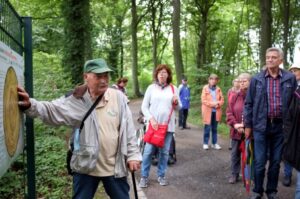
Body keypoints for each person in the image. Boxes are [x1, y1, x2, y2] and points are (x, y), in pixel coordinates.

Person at [17, 58, 142, 199]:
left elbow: (128, 130)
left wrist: (132, 155)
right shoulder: (75, 100)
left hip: (114, 168)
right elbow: (51, 110)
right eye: (98, 76)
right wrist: (30, 105)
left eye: (106, 75)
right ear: (86, 77)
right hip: (85, 167)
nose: (103, 80)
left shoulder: (118, 97)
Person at [243, 47, 297, 199]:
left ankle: (272, 191)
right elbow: (249, 104)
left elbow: (294, 103)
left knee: (275, 163)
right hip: (261, 126)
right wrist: (248, 125)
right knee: (259, 162)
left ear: (280, 60)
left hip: (281, 127)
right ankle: (257, 191)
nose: (270, 60)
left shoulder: (289, 78)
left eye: (273, 57)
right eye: (267, 57)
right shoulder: (257, 79)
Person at [139, 64, 181, 188]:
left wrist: (176, 102)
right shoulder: (151, 88)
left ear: (168, 75)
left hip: (168, 127)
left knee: (164, 153)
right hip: (153, 126)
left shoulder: (174, 89)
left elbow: (179, 108)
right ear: (157, 75)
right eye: (160, 72)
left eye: (165, 72)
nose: (162, 74)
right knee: (147, 152)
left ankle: (161, 175)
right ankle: (144, 177)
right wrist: (151, 119)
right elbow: (144, 106)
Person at [226, 73, 251, 184]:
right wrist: (236, 125)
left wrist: (246, 126)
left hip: (249, 132)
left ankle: (248, 176)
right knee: (235, 154)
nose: (241, 83)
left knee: (248, 154)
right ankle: (234, 174)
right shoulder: (234, 96)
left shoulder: (254, 96)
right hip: (236, 131)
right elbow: (229, 112)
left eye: (244, 81)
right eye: (240, 81)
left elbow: (256, 113)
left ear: (250, 82)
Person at [283, 63, 300, 199]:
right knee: (289, 149)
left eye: (296, 70)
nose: (294, 73)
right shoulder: (288, 86)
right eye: (292, 71)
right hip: (289, 124)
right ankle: (287, 174)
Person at [201, 73, 224, 150]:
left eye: (215, 80)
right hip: (207, 112)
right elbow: (203, 100)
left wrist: (219, 104)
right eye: (212, 79)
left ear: (217, 81)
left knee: (215, 128)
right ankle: (205, 143)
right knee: (207, 128)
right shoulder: (205, 88)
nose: (213, 81)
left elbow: (222, 100)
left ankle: (214, 143)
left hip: (216, 112)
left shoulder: (218, 89)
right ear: (209, 80)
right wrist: (214, 104)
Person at [227, 78, 240, 150]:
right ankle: (231, 144)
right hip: (231, 111)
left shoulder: (240, 91)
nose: (236, 83)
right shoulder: (230, 90)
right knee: (231, 128)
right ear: (233, 82)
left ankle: (238, 144)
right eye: (235, 81)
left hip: (237, 111)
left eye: (238, 81)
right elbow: (229, 100)